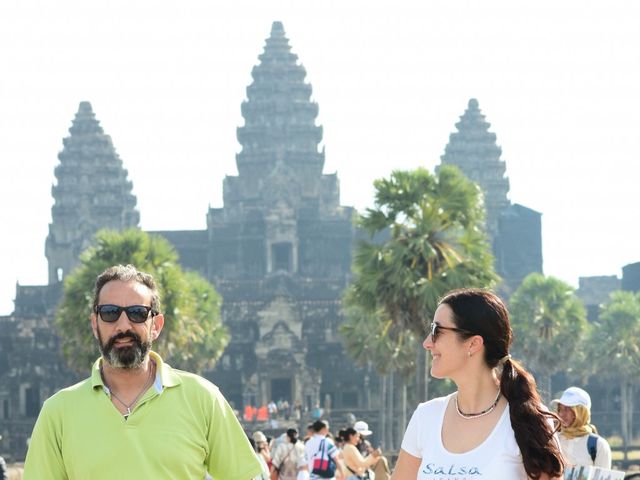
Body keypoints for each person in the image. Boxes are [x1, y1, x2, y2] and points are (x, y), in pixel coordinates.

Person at [23, 264, 262, 480]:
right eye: (109, 313)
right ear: (95, 325)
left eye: (137, 313)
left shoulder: (203, 398)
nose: (124, 325)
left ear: (156, 325)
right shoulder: (58, 412)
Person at [392, 288, 564, 480]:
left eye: (436, 331)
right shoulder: (425, 417)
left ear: (473, 344)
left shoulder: (530, 421)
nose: (427, 343)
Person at [552, 386, 612, 469]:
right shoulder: (553, 441)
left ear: (581, 412)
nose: (561, 414)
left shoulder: (599, 445)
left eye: (567, 409)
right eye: (560, 409)